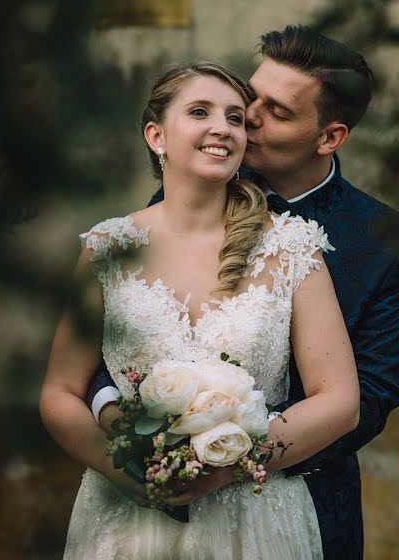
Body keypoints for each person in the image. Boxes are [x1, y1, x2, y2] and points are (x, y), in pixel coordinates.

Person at [87, 26, 399, 559]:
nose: (247, 118)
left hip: (296, 499)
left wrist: (227, 461)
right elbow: (131, 331)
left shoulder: (386, 242)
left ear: (329, 137)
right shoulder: (194, 181)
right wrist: (120, 421)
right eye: (252, 97)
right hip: (156, 498)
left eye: (279, 112)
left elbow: (372, 392)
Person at [40, 60, 360, 559]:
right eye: (199, 111)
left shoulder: (294, 247)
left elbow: (339, 400)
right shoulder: (108, 248)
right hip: (126, 521)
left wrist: (227, 467)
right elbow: (60, 392)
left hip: (256, 517)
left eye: (235, 118)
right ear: (156, 135)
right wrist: (124, 471)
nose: (222, 128)